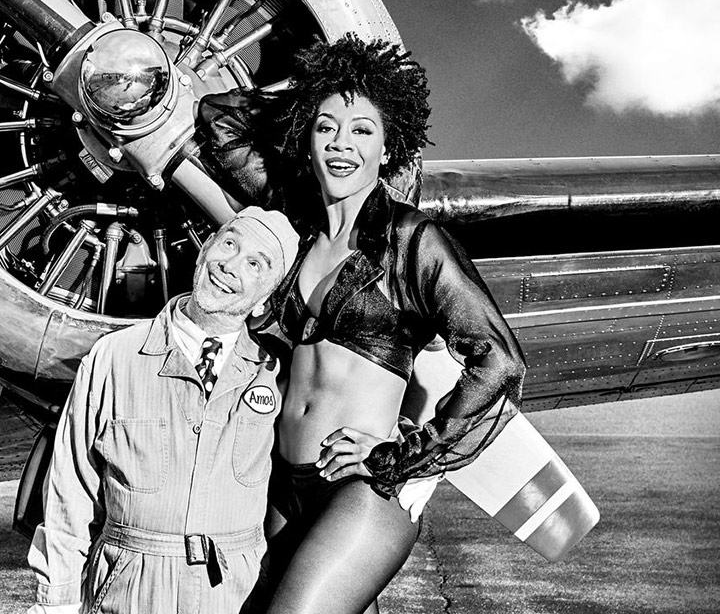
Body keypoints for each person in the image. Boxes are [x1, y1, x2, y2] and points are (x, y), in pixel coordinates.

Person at [199, 34, 526, 614]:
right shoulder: (294, 224)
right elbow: (218, 117)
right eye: (326, 128)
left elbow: (498, 359)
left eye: (362, 130)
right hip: (282, 485)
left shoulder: (412, 239)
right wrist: (312, 91)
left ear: (388, 145)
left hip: (363, 486)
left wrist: (409, 454)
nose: (341, 144)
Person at [27, 206, 300, 614]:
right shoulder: (114, 356)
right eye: (229, 244)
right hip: (127, 592)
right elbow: (70, 490)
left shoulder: (275, 371)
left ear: (264, 300)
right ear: (205, 249)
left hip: (234, 597)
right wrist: (57, 603)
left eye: (255, 264)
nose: (230, 266)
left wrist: (389, 451)